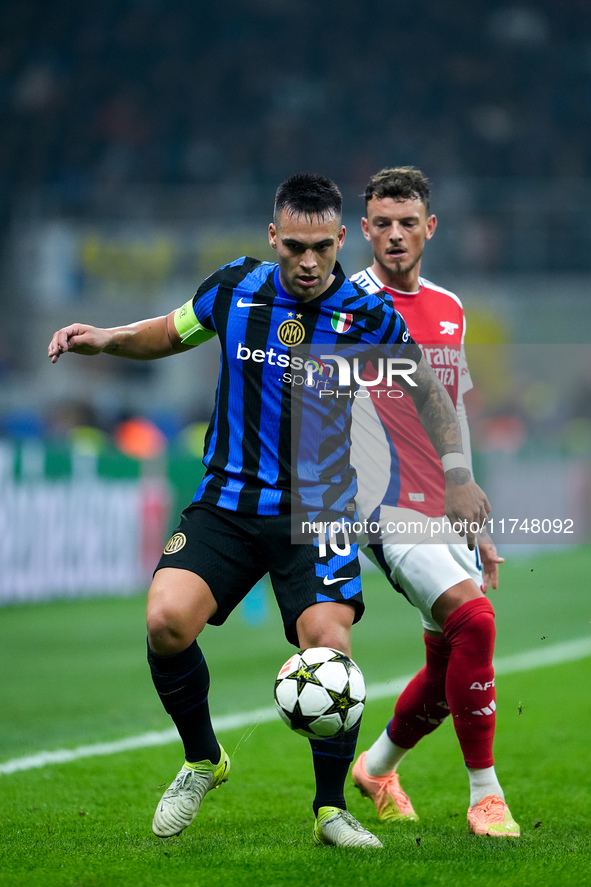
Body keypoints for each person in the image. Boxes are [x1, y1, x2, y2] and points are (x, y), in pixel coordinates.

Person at [48, 172, 490, 849]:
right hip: (226, 502)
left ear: (341, 239)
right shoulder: (235, 288)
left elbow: (427, 390)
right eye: (292, 247)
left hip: (316, 513)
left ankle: (328, 808)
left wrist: (456, 477)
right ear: (270, 237)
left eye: (319, 246)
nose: (307, 262)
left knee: (330, 651)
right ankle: (203, 758)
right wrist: (106, 338)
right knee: (165, 622)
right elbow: (169, 332)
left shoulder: (364, 313)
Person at [349, 167, 519, 837]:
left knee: (449, 660)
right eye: (381, 223)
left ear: (429, 227)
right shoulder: (341, 298)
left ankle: (376, 766)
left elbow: (451, 410)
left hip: (441, 502)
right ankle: (485, 794)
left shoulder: (448, 306)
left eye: (406, 222)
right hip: (380, 503)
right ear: (363, 230)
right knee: (473, 621)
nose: (394, 235)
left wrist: (472, 508)